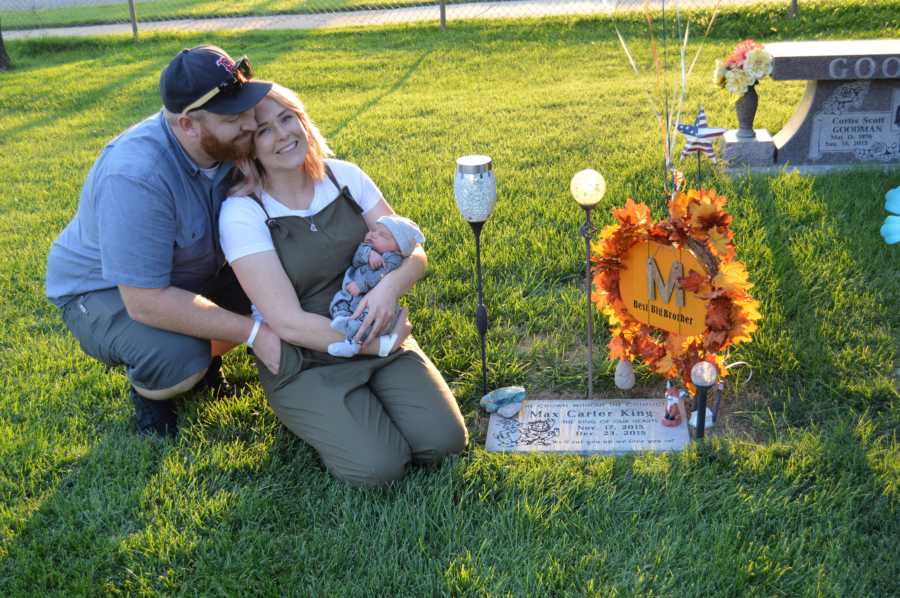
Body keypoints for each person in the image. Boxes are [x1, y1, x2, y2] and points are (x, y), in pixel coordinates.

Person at [219, 82, 468, 486]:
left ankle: (371, 401)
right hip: (306, 358)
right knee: (377, 469)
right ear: (248, 148)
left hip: (378, 333)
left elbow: (414, 252)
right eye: (264, 130)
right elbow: (287, 322)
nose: (284, 135)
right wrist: (370, 343)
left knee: (444, 442)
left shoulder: (344, 177)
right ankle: (314, 411)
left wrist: (388, 289)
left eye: (288, 118)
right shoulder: (242, 213)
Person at [45, 45, 283, 438]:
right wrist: (255, 332)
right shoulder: (136, 176)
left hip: (185, 273)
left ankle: (204, 357)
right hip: (102, 291)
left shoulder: (223, 144)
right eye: (233, 117)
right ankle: (154, 393)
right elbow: (146, 301)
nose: (250, 123)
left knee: (277, 273)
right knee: (180, 356)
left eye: (248, 108)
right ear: (189, 125)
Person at [327, 215, 425, 358]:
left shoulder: (393, 260)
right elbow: (356, 258)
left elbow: (380, 276)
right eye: (374, 230)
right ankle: (343, 321)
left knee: (367, 319)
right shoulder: (369, 248)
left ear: (398, 247)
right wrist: (369, 254)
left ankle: (353, 344)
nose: (373, 234)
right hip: (352, 293)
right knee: (339, 303)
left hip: (370, 300)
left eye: (382, 235)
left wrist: (361, 285)